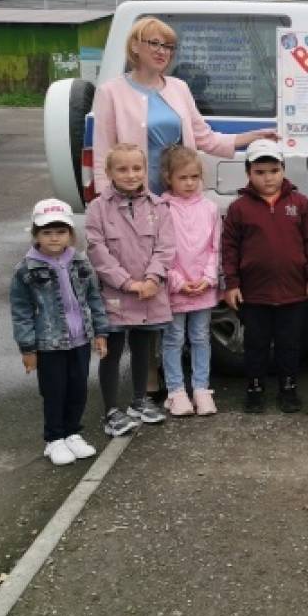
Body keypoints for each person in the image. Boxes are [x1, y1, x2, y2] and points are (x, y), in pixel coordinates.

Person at [92, 15, 278, 197]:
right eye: (155, 43)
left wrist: (252, 137)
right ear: (134, 46)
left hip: (178, 196)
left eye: (168, 46)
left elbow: (206, 139)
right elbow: (103, 154)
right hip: (134, 196)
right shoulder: (110, 92)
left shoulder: (179, 87)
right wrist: (105, 199)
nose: (162, 51)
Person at [222, 139, 308, 415]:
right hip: (254, 294)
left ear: (283, 170)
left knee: (290, 344)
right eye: (260, 172)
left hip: (293, 292)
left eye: (274, 171)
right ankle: (254, 389)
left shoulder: (299, 203)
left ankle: (288, 389)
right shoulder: (239, 208)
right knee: (256, 345)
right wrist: (231, 284)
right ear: (248, 173)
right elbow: (229, 249)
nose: (268, 177)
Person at [10, 199, 110, 466]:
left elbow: (94, 299)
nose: (54, 238)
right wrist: (28, 349)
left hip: (80, 340)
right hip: (49, 344)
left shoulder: (80, 262)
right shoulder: (26, 269)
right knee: (54, 391)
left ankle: (72, 432)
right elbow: (21, 312)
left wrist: (101, 332)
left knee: (78, 389)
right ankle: (54, 438)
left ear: (70, 233)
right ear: (36, 234)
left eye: (60, 231)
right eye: (46, 232)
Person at [86, 143, 176, 437]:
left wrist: (152, 279)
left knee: (143, 348)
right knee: (111, 352)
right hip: (116, 294)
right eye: (122, 169)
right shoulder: (97, 208)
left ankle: (139, 400)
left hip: (150, 292)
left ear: (144, 169)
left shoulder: (159, 206)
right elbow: (98, 252)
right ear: (109, 172)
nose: (130, 174)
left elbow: (166, 247)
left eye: (136, 168)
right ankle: (112, 410)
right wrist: (127, 283)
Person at [159, 145, 221, 418]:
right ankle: (176, 391)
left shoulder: (210, 208)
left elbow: (215, 247)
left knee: (200, 337)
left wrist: (209, 277)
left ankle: (201, 389)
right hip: (176, 287)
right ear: (168, 178)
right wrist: (176, 280)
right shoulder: (162, 208)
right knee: (173, 338)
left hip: (203, 287)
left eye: (194, 177)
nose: (189, 183)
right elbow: (159, 249)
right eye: (182, 177)